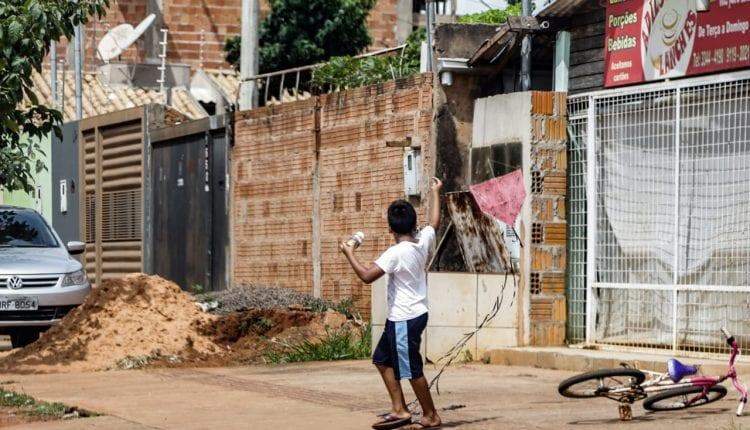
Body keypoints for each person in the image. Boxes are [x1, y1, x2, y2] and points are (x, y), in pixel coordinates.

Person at [340, 177, 443, 430]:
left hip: (404, 318)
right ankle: (400, 409)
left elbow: (366, 276)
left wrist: (349, 253)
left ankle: (431, 415)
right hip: (412, 314)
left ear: (391, 229)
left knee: (412, 368)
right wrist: (435, 191)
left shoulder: (396, 253)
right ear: (413, 223)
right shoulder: (423, 240)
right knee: (382, 359)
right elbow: (435, 222)